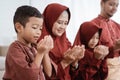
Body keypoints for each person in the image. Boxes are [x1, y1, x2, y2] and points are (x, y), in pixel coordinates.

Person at [3, 5, 54, 80]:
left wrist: (45, 52)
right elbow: (29, 77)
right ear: (19, 27)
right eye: (34, 27)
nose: (38, 32)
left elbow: (49, 73)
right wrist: (40, 54)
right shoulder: (14, 49)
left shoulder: (36, 47)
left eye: (40, 29)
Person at [37, 3, 85, 80]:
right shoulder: (41, 42)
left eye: (65, 23)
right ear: (50, 19)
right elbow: (47, 75)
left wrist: (74, 62)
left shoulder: (65, 41)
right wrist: (65, 62)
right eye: (59, 22)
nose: (62, 27)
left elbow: (72, 73)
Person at [91, 0, 120, 79]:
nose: (115, 8)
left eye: (117, 5)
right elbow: (89, 54)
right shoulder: (92, 25)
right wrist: (114, 48)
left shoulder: (117, 26)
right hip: (103, 71)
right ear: (102, 3)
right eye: (111, 4)